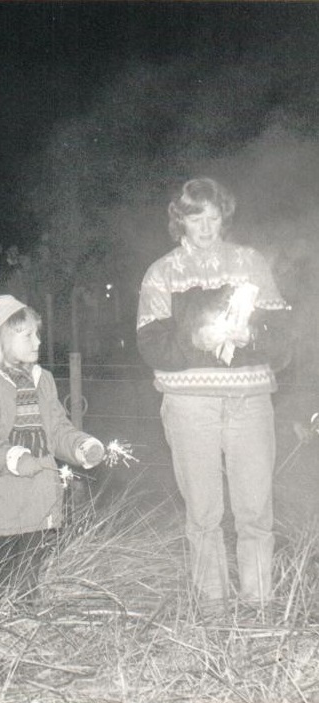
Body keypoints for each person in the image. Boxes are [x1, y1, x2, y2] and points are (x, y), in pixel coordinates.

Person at [136, 177, 290, 613]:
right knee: (204, 514)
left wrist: (252, 334)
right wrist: (197, 340)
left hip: (250, 401)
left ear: (224, 215)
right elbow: (151, 347)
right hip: (190, 406)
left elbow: (282, 343)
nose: (205, 226)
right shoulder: (162, 273)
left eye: (213, 215)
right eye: (194, 216)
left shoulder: (251, 264)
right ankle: (213, 609)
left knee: (255, 510)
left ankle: (260, 607)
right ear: (179, 220)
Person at [0, 295, 104, 596]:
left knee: (29, 568)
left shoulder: (42, 380)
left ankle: (18, 623)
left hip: (35, 494)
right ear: (2, 339)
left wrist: (80, 446)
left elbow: (56, 428)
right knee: (6, 567)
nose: (37, 341)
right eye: (28, 335)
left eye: (37, 334)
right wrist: (13, 457)